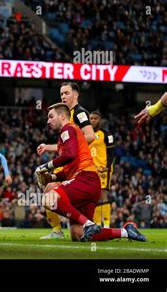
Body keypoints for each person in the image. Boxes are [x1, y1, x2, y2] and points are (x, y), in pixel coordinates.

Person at [36, 103, 146, 242]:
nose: (48, 121)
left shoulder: (67, 128)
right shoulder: (67, 135)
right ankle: (125, 231)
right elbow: (68, 168)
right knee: (77, 234)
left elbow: (70, 155)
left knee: (48, 197)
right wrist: (52, 176)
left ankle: (88, 224)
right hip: (89, 183)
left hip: (85, 178)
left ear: (63, 116)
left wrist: (47, 166)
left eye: (51, 117)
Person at [37, 82, 95, 240]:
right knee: (77, 235)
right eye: (61, 93)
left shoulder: (79, 113)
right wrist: (48, 147)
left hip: (81, 168)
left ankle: (57, 231)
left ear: (76, 95)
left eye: (67, 93)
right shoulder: (65, 118)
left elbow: (90, 135)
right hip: (74, 166)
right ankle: (93, 227)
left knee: (49, 188)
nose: (63, 96)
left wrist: (75, 151)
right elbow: (68, 146)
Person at [89, 111, 115, 228]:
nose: (92, 120)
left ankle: (107, 225)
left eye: (95, 118)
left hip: (103, 169)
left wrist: (107, 168)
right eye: (91, 118)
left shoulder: (106, 134)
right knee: (94, 196)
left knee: (103, 195)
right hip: (91, 170)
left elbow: (112, 153)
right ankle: (98, 224)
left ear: (100, 120)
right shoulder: (86, 135)